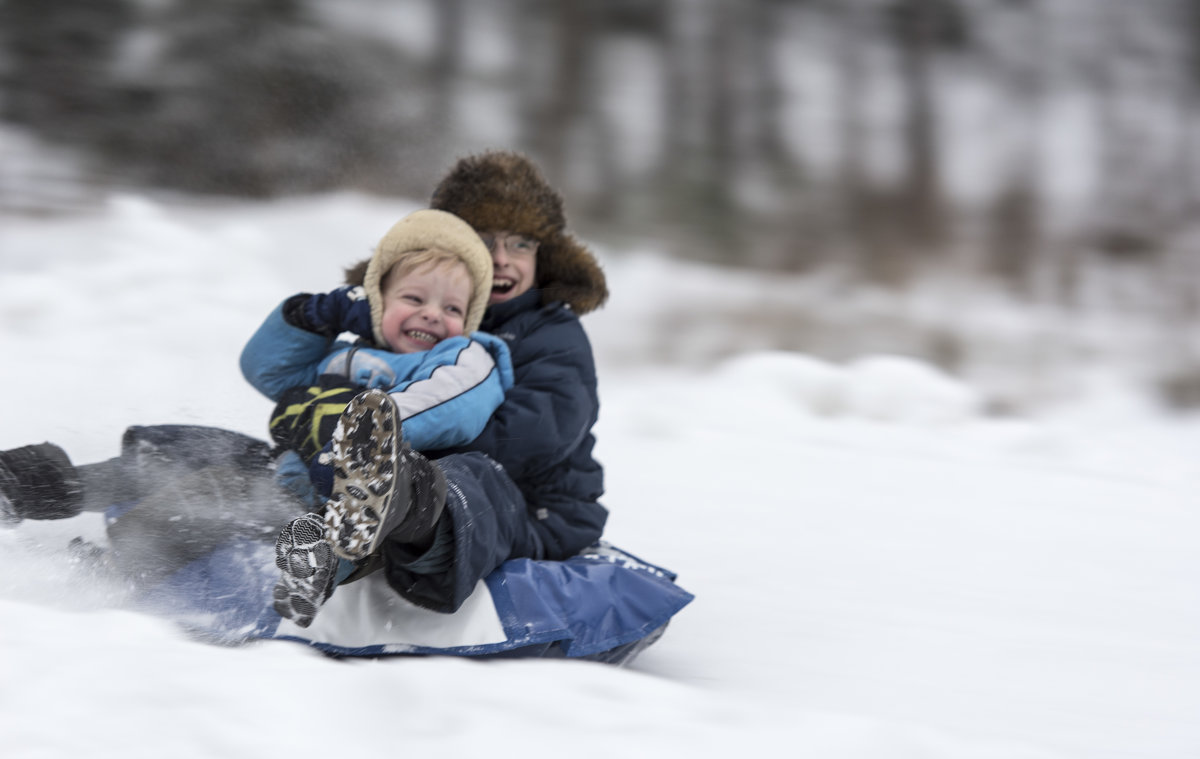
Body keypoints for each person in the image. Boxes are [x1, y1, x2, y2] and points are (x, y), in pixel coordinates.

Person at [271, 149, 610, 627]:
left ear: (544, 254)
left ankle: (389, 494)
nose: (501, 259)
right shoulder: (422, 315)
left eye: (520, 245)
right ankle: (310, 546)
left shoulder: (552, 334)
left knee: (472, 475)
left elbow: (539, 435)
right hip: (395, 468)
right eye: (484, 240)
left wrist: (400, 446)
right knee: (287, 458)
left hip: (533, 503)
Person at [239, 207, 513, 624]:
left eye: (453, 309)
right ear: (375, 302)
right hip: (305, 476)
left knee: (361, 518)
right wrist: (315, 315)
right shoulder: (344, 355)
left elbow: (455, 404)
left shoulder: (465, 355)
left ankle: (318, 568)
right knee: (255, 481)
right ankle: (159, 544)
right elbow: (267, 369)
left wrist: (361, 433)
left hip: (395, 479)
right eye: (413, 298)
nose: (433, 314)